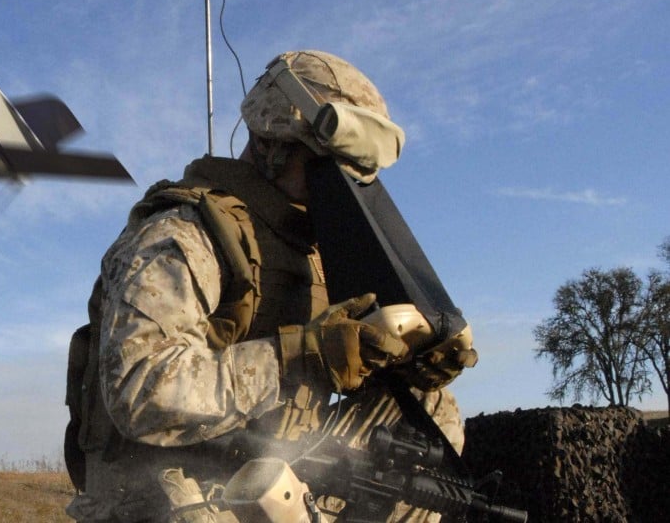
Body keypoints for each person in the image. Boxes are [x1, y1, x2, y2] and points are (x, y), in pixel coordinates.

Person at [66, 50, 476, 523]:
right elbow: (140, 389)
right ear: (272, 146)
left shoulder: (307, 249)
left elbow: (346, 368)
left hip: (268, 473)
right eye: (328, 169)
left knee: (430, 410)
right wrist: (301, 357)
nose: (341, 190)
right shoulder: (183, 235)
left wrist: (407, 361)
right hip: (161, 491)